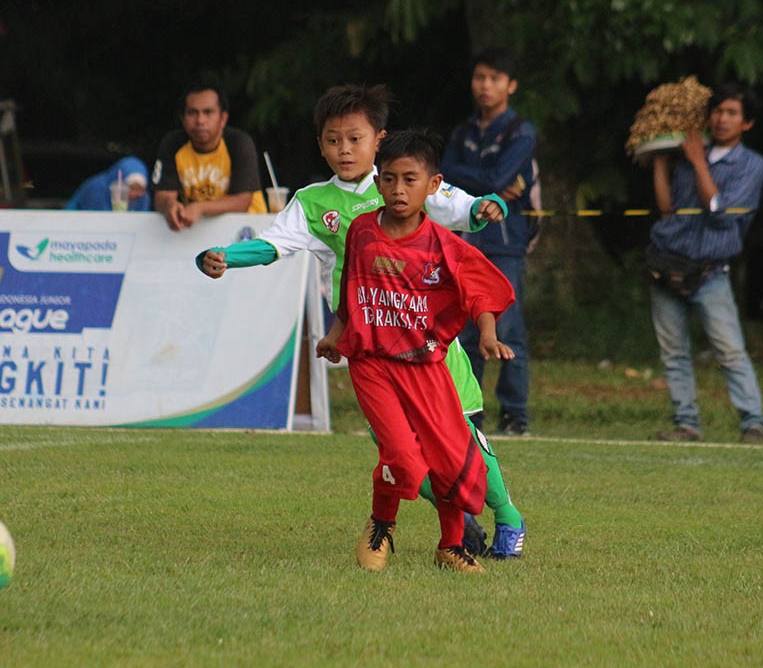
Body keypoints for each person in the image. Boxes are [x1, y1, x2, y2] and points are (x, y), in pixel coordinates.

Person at [196, 84, 528, 559]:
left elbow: (463, 207)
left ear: (379, 138)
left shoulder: (402, 177)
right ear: (320, 144)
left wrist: (484, 207)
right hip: (370, 347)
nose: (344, 150)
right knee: (400, 451)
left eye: (355, 139)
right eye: (333, 140)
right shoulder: (314, 203)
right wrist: (228, 256)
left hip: (426, 344)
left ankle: (507, 517)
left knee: (459, 441)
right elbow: (274, 244)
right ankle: (451, 522)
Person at [316, 130, 515, 573]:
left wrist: (487, 334)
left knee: (451, 462)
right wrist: (336, 334)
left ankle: (450, 546)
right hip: (373, 364)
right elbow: (353, 289)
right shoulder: (362, 232)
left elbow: (481, 291)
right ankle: (381, 524)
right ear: (378, 181)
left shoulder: (443, 246)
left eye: (410, 179)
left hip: (425, 365)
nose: (398, 189)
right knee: (405, 462)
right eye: (388, 179)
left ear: (433, 184)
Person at [647, 83, 763, 444]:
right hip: (667, 261)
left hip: (711, 270)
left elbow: (721, 215)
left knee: (730, 350)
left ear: (747, 123)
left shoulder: (750, 164)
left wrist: (699, 161)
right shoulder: (686, 156)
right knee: (673, 352)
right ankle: (686, 423)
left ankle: (753, 422)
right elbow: (667, 210)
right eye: (717, 111)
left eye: (732, 113)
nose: (722, 119)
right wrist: (659, 161)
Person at [440, 48, 538, 437]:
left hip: (504, 242)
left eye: (495, 79)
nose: (485, 86)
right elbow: (444, 173)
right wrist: (489, 182)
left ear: (511, 86)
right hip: (463, 242)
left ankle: (515, 415)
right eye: (480, 77)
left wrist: (477, 180)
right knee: (464, 330)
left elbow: (498, 178)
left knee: (507, 328)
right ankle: (471, 412)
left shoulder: (522, 132)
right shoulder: (463, 131)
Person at [151, 85, 265, 229]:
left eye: (208, 112)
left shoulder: (239, 142)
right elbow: (162, 196)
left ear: (223, 118)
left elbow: (242, 201)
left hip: (246, 230)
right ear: (182, 118)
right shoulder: (173, 143)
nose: (200, 120)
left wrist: (200, 208)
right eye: (192, 113)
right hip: (193, 230)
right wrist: (170, 206)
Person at [63, 155, 150, 211]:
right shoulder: (96, 188)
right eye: (130, 188)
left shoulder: (142, 197)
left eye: (139, 189)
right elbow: (98, 222)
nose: (133, 194)